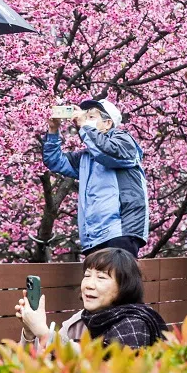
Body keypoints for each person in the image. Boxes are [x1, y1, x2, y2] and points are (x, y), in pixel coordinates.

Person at [42, 99, 148, 258]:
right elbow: (54, 161)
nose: (84, 120)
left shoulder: (124, 140)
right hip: (94, 235)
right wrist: (53, 129)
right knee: (98, 281)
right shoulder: (86, 157)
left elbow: (107, 151)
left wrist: (84, 125)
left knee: (117, 280)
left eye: (91, 117)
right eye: (85, 116)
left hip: (120, 229)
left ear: (107, 123)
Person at [15, 248, 166, 351]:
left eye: (101, 277)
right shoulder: (79, 321)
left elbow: (104, 368)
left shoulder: (134, 324)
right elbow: (37, 367)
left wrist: (44, 333)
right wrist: (30, 332)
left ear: (124, 286)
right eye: (87, 275)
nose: (89, 285)